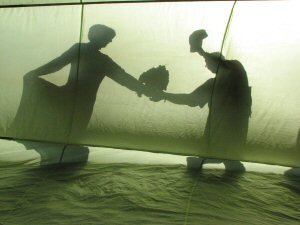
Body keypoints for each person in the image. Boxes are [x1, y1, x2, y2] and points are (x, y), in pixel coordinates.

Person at [14, 24, 155, 141]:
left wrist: (34, 74)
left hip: (70, 99)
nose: (110, 42)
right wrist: (143, 89)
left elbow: (57, 63)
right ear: (101, 37)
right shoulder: (101, 59)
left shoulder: (85, 52)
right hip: (79, 103)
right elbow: (124, 78)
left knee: (63, 136)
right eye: (109, 38)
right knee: (69, 137)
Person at [160, 30, 252, 170]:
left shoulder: (234, 68)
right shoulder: (213, 83)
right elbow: (190, 100)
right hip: (228, 128)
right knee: (229, 161)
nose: (205, 65)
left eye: (206, 62)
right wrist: (165, 95)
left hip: (227, 129)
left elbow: (190, 99)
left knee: (227, 160)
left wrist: (200, 50)